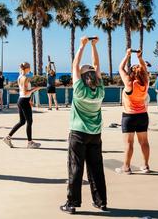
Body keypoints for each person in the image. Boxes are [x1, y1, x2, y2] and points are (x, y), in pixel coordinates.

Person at [60, 36, 107, 214]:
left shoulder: (79, 90)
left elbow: (75, 65)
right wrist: (94, 47)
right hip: (95, 134)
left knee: (75, 168)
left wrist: (82, 46)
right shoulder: (100, 90)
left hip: (78, 133)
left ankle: (72, 204)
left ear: (82, 76)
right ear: (94, 76)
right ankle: (101, 201)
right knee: (96, 168)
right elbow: (97, 65)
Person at [115, 49, 151, 175]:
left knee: (129, 143)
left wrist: (127, 55)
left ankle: (126, 167)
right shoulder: (145, 82)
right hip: (142, 115)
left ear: (131, 73)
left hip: (129, 116)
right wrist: (140, 57)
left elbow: (120, 68)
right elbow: (144, 69)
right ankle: (146, 166)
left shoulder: (129, 83)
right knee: (144, 142)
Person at [3, 62, 41, 149]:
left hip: (22, 100)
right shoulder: (25, 78)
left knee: (22, 122)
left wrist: (30, 99)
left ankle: (8, 138)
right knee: (29, 121)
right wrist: (35, 89)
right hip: (24, 101)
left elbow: (23, 92)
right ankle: (30, 143)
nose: (30, 68)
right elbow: (25, 92)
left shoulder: (20, 77)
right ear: (27, 68)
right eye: (29, 67)